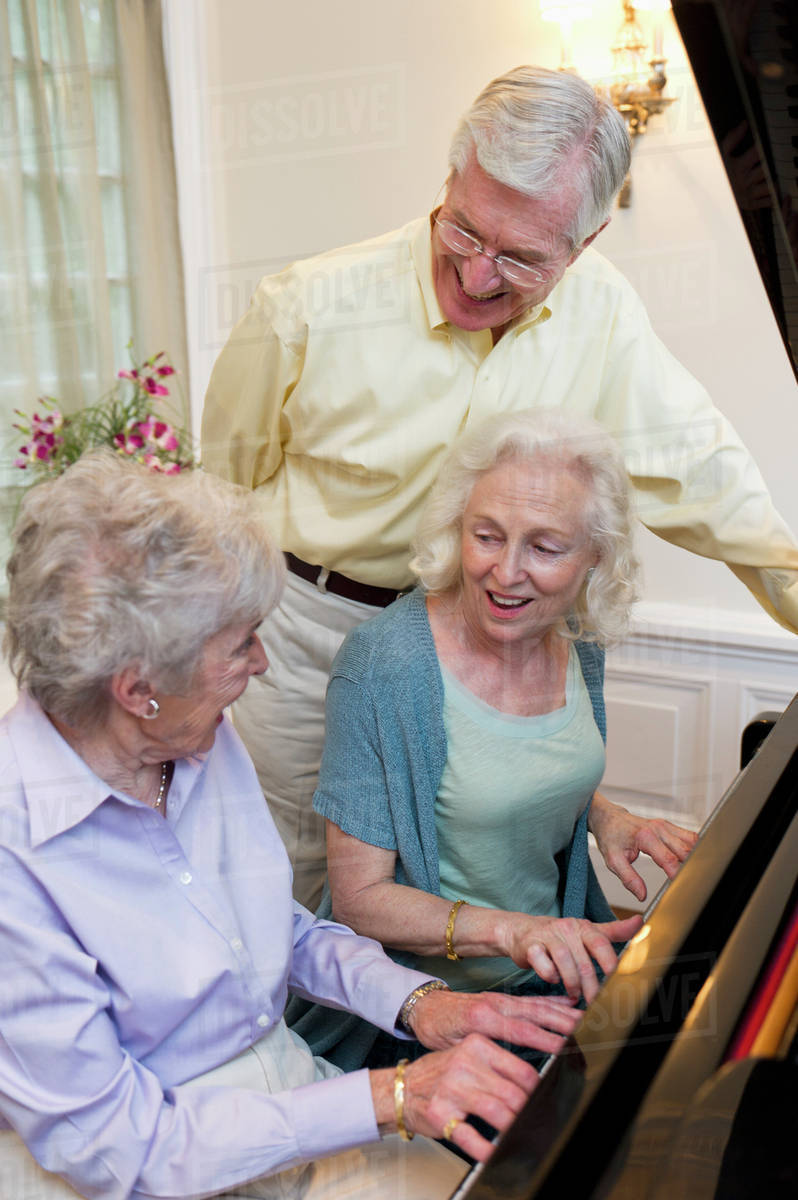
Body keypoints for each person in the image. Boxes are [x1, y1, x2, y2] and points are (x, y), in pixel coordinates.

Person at [201, 64, 798, 909]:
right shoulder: (305, 304)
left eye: (522, 259)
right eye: (465, 232)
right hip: (315, 637)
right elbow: (222, 494)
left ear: (584, 245)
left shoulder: (605, 312)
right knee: (301, 889)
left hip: (482, 641)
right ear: (449, 180)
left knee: (464, 889)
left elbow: (704, 474)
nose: (480, 278)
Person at [0, 451, 585, 1200]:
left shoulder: (189, 734)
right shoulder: (20, 854)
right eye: (240, 644)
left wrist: (419, 1003)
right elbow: (127, 1149)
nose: (263, 662)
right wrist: (390, 1097)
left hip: (291, 1089)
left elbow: (274, 929)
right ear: (140, 689)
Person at [288, 410, 697, 1070]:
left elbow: (512, 764)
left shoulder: (575, 639)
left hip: (551, 980)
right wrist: (515, 931)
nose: (506, 573)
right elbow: (361, 900)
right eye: (487, 536)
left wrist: (606, 815)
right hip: (425, 1012)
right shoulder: (384, 666)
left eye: (545, 548)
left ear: (594, 556)